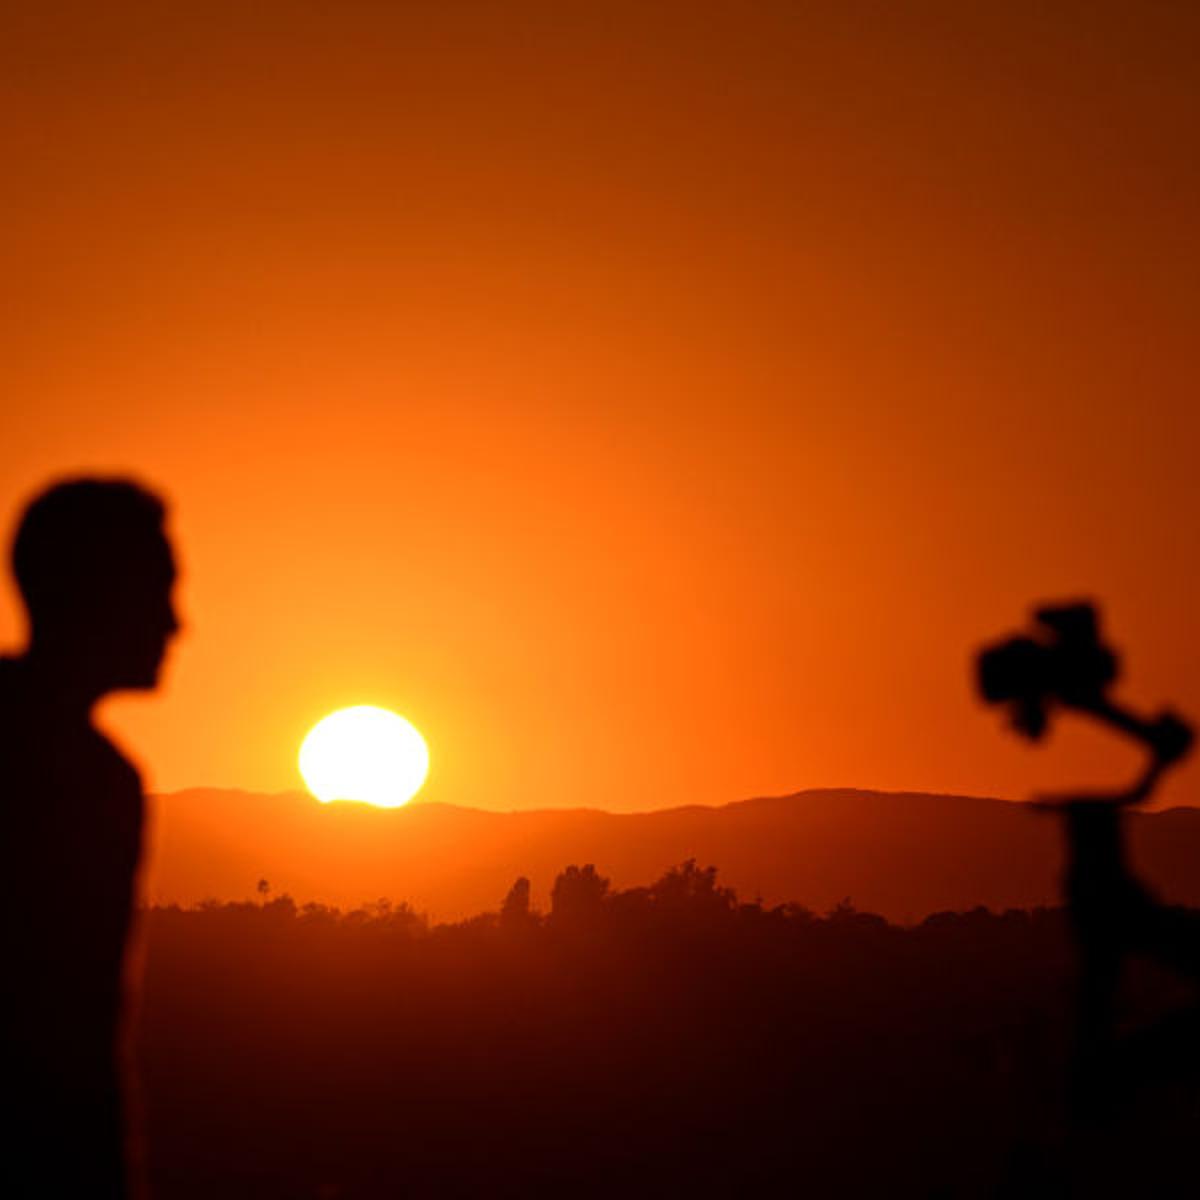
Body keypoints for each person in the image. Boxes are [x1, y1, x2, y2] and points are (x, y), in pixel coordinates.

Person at [0, 478, 179, 1198]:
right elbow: (77, 1033)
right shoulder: (86, 780)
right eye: (160, 590)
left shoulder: (95, 771)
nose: (177, 622)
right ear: (100, 598)